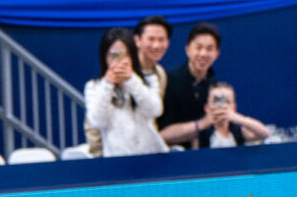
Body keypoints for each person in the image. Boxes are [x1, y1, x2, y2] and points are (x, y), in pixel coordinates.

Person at [85, 27, 166, 157]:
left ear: (133, 55)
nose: (121, 61)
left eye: (125, 55)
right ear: (105, 57)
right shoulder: (94, 87)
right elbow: (97, 121)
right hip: (117, 159)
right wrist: (107, 84)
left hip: (152, 155)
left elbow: (155, 110)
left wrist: (132, 80)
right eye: (115, 55)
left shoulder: (149, 79)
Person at [156, 22, 222, 146]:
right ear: (187, 49)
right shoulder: (168, 80)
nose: (203, 54)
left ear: (217, 54)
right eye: (198, 47)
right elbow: (161, 134)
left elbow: (223, 126)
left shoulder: (217, 88)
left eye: (209, 49)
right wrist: (202, 124)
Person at [132, 15, 172, 104]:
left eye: (161, 40)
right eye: (151, 39)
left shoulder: (160, 74)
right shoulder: (125, 70)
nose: (156, 46)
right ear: (137, 40)